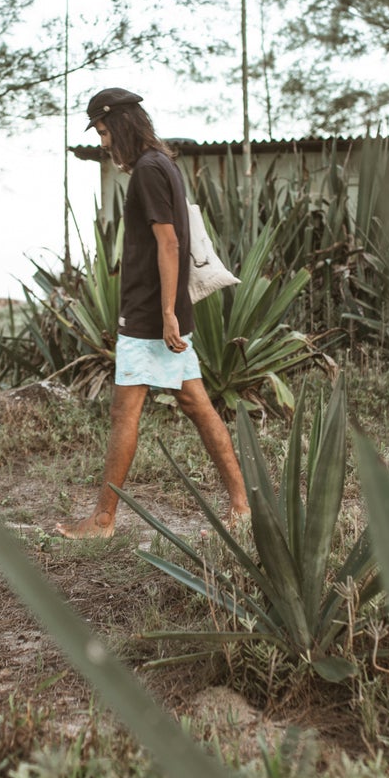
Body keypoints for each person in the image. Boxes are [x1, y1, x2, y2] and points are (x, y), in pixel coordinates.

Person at [54, 87, 251, 538]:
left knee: (127, 414)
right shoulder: (164, 165)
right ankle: (241, 509)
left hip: (149, 316)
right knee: (198, 405)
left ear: (120, 125)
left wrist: (165, 313)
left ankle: (103, 520)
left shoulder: (147, 170)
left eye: (104, 131)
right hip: (159, 311)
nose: (103, 142)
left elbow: (169, 242)